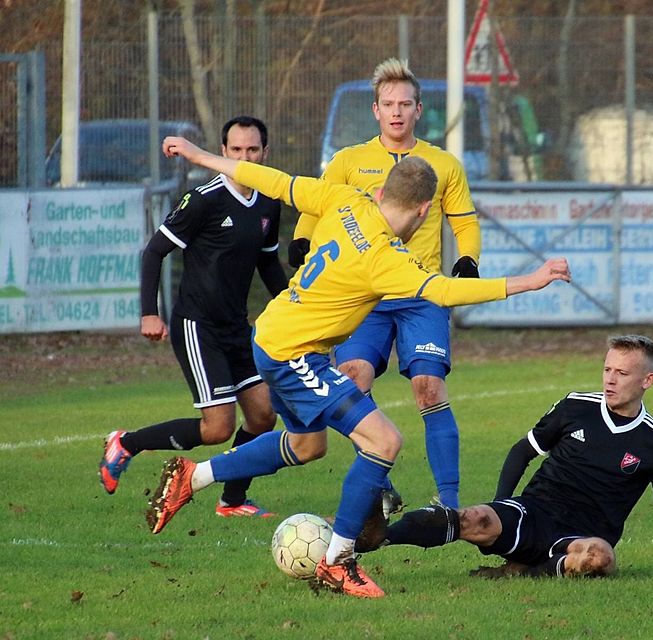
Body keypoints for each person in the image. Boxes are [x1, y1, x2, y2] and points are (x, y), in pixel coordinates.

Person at [147, 136, 571, 599]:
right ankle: (338, 562)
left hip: (270, 335)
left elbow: (276, 181)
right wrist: (532, 280)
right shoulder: (387, 260)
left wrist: (201, 155)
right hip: (294, 353)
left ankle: (195, 476)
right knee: (384, 439)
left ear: (382, 191)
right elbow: (447, 292)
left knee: (307, 446)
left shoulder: (344, 198)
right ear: (425, 210)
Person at [289, 58, 479, 511]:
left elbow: (464, 220)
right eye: (388, 104)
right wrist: (300, 242)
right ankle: (379, 484)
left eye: (405, 104)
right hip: (365, 295)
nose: (397, 112)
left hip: (420, 293)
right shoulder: (349, 161)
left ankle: (448, 503)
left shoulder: (442, 163)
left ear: (419, 110)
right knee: (353, 379)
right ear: (375, 110)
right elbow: (316, 207)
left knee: (429, 386)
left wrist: (469, 259)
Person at [363, 335, 653, 581]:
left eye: (622, 373)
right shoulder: (576, 407)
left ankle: (522, 573)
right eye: (607, 369)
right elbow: (521, 452)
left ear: (648, 380)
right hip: (535, 511)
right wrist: (501, 504)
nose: (610, 379)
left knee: (600, 558)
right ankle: (380, 537)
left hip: (582, 536)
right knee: (475, 518)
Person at [99, 116, 287, 519]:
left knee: (262, 413)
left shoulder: (270, 200)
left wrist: (295, 307)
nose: (244, 156)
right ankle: (125, 443)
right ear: (223, 152)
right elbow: (153, 252)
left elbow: (268, 264)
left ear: (265, 153)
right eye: (236, 150)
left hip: (238, 326)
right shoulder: (204, 199)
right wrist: (150, 313)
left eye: (252, 150)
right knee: (217, 428)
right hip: (197, 325)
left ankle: (232, 501)